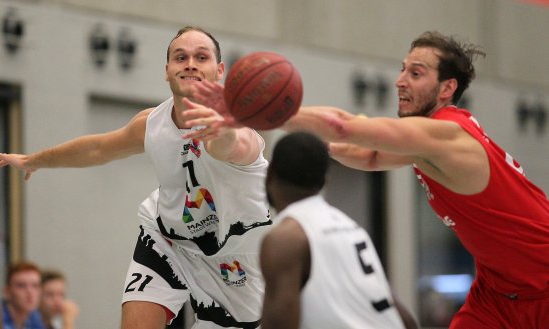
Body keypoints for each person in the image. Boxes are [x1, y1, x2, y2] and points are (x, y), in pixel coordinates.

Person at [190, 31, 549, 328]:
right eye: (403, 69)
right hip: (496, 290)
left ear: (446, 88)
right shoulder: (427, 142)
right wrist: (320, 145)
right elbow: (369, 154)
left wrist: (260, 113)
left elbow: (345, 125)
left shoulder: (448, 136)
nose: (400, 80)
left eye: (416, 73)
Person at [0, 26, 271, 329]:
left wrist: (222, 127)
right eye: (181, 57)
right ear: (167, 71)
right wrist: (34, 160)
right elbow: (98, 149)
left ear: (218, 71)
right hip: (169, 240)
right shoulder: (152, 123)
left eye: (200, 57)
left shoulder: (240, 132)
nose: (190, 63)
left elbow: (228, 146)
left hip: (232, 255)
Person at [260, 131, 417, 329]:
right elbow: (407, 320)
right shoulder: (351, 227)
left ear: (270, 171)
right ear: (325, 180)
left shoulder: (285, 239)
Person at [2, 261, 46, 329]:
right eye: (21, 286)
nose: (29, 292)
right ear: (7, 292)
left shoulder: (34, 317)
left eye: (35, 286)